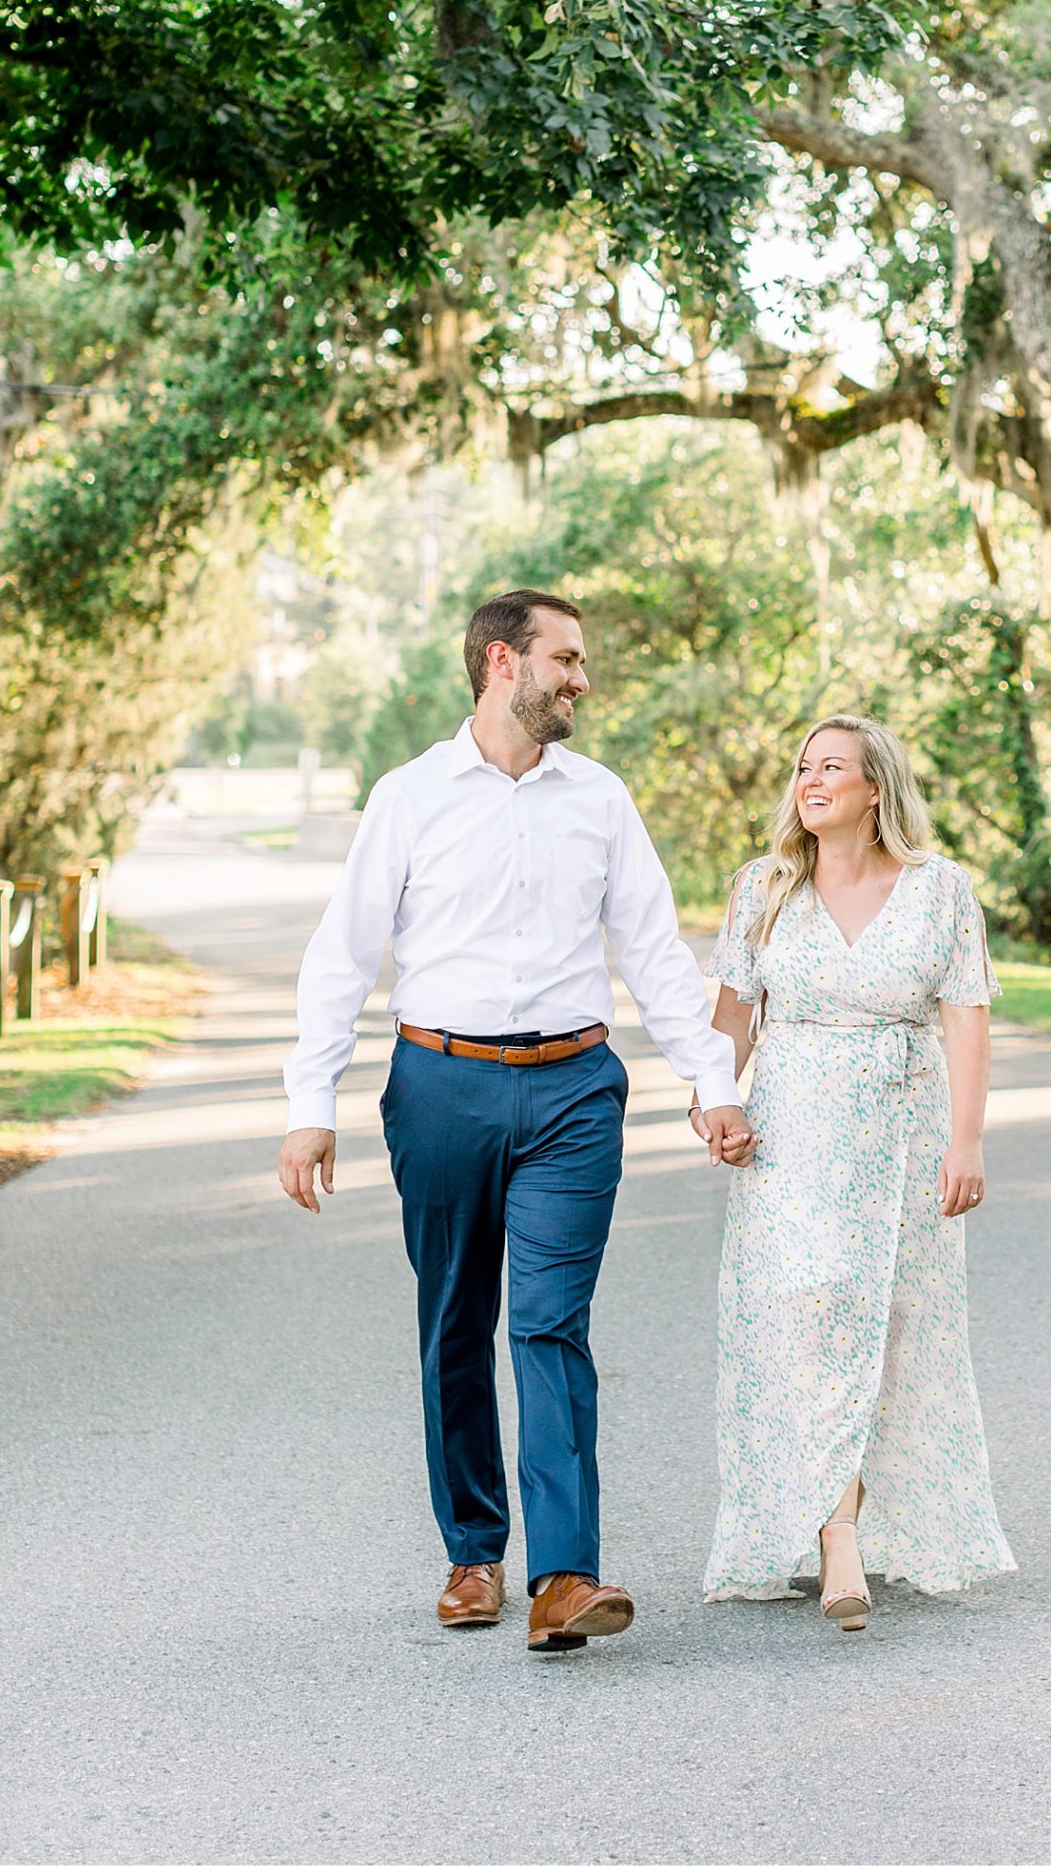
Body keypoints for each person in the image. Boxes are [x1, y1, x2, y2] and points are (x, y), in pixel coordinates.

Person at [277, 589, 755, 1653]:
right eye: (566, 658)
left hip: (575, 1091)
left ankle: (565, 1577)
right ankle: (473, 1553)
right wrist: (312, 1105)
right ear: (504, 662)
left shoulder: (600, 799)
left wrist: (713, 1079)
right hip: (439, 1083)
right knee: (455, 1320)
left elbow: (653, 952)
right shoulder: (408, 798)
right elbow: (343, 955)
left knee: (548, 1320)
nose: (582, 679)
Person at [692, 713, 1016, 1626]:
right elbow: (731, 1022)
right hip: (790, 1134)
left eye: (831, 765)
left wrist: (966, 1139)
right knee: (801, 1321)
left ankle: (858, 1520)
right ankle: (836, 1534)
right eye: (802, 765)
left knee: (890, 1329)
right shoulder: (762, 888)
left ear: (876, 788)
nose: (809, 778)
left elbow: (966, 1016)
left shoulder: (938, 889)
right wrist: (710, 1103)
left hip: (902, 1137)